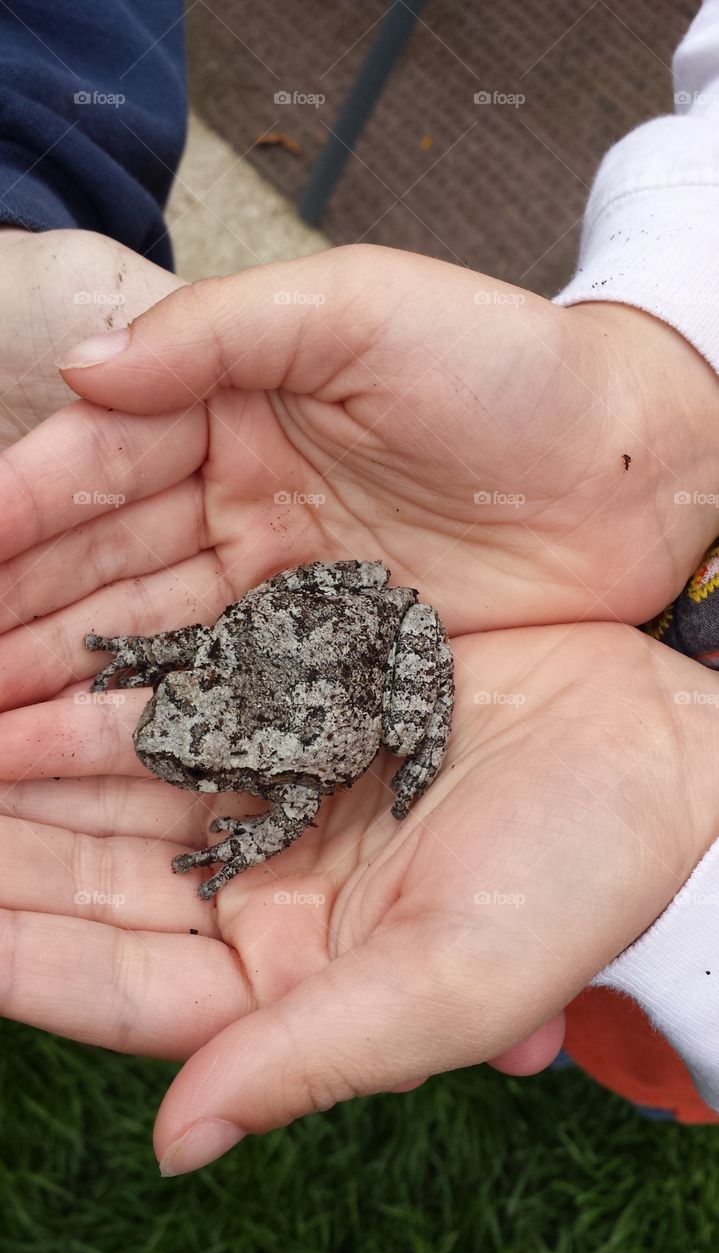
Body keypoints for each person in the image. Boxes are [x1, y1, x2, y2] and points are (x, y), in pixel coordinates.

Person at [0, 0, 718, 1177]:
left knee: (576, 969)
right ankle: (636, 1041)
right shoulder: (220, 702)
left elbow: (286, 805)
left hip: (363, 684)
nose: (169, 752)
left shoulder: (268, 780)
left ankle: (651, 1059)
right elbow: (204, 657)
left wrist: (238, 847)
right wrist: (673, 368)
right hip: (332, 639)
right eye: (176, 745)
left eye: (181, 752)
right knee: (568, 974)